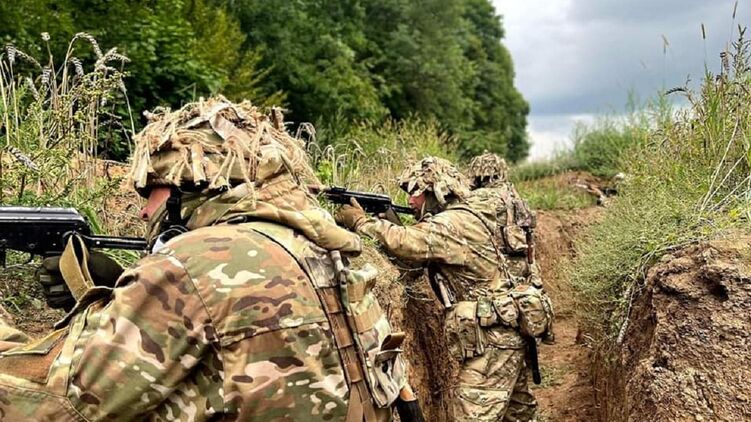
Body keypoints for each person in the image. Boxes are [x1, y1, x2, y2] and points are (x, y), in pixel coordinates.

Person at [0, 97, 418, 421]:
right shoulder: (325, 252)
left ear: (193, 184)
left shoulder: (192, 265)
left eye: (150, 190)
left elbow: (54, 408)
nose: (143, 212)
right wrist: (121, 289)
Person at [336, 157, 551, 421]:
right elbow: (414, 262)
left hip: (493, 343)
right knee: (517, 415)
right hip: (507, 334)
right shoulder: (466, 216)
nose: (411, 201)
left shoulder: (453, 223)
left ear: (436, 191)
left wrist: (360, 222)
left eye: (415, 193)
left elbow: (405, 241)